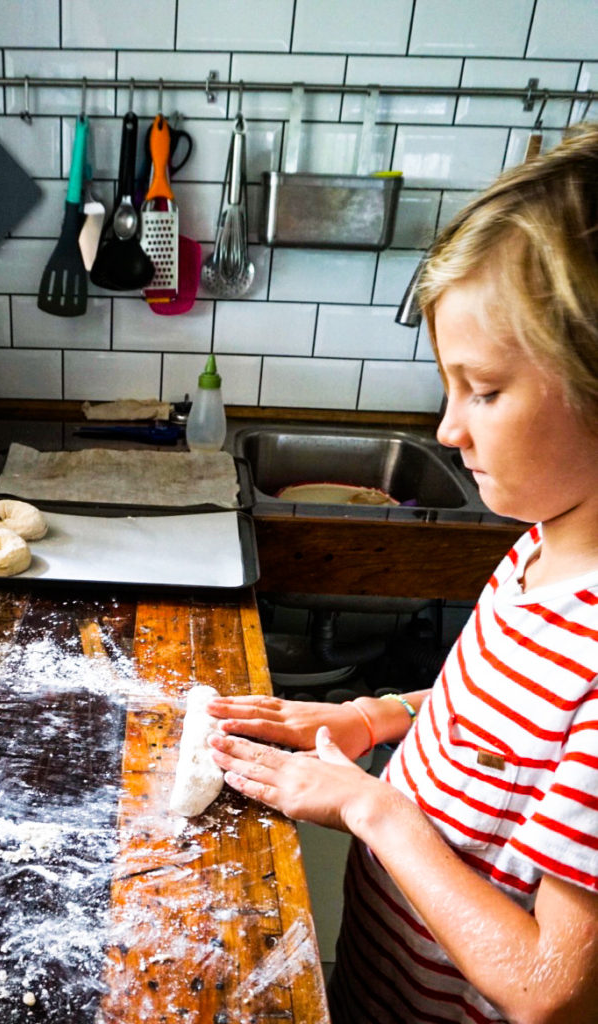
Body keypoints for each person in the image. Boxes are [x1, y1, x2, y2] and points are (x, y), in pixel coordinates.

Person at [207, 122, 598, 1024]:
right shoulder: (543, 545)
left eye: (484, 390)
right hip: (385, 988)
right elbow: (498, 719)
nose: (450, 431)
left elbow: (553, 989)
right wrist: (375, 713)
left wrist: (372, 809)